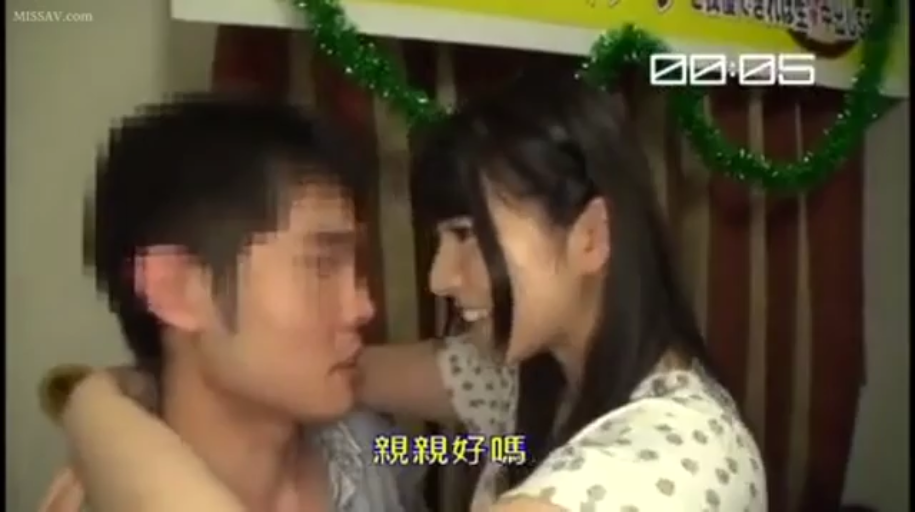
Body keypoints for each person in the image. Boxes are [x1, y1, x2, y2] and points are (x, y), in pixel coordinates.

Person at [43, 71, 766, 512]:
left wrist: (90, 409)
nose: (373, 302)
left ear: (590, 238)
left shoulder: (674, 458)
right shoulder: (521, 392)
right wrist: (124, 399)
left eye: (468, 235)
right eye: (321, 264)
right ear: (177, 289)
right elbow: (441, 431)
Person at [41, 94, 426, 512]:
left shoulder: (367, 445)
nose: (363, 306)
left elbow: (474, 444)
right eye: (322, 265)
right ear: (176, 289)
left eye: (358, 265)